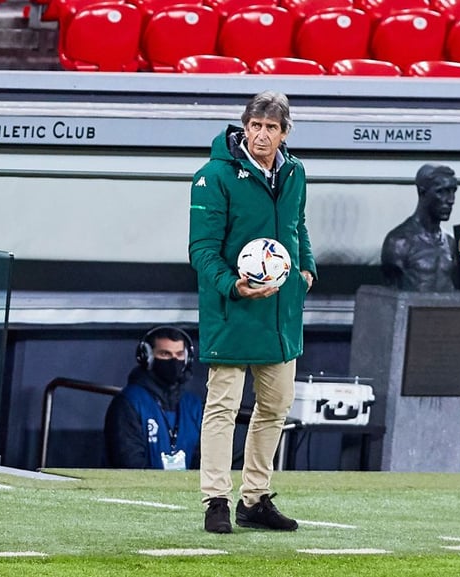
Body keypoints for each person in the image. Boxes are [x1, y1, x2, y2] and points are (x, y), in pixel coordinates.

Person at [189, 91, 317, 534]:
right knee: (222, 407)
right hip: (232, 309)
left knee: (275, 407)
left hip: (281, 312)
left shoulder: (295, 172)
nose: (261, 135)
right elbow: (201, 249)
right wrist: (233, 285)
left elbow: (298, 225)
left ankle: (255, 499)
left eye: (271, 128)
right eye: (255, 126)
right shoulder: (213, 176)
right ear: (245, 127)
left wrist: (306, 268)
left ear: (284, 133)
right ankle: (215, 500)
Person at [103, 326, 203, 470]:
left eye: (179, 354)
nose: (174, 360)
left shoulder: (193, 405)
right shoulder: (129, 402)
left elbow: (204, 459)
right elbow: (129, 463)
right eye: (165, 354)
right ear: (147, 357)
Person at [381, 163, 458, 292]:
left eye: (453, 191)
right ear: (423, 192)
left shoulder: (450, 243)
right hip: (411, 305)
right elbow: (391, 298)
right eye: (441, 192)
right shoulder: (399, 242)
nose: (451, 200)